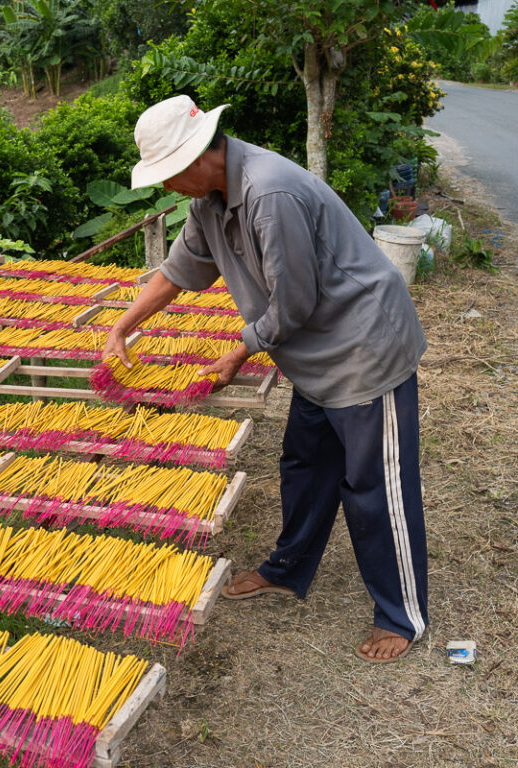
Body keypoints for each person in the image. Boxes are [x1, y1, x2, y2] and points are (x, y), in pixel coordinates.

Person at [102, 95, 429, 662]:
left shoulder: (269, 193)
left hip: (363, 348)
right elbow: (179, 271)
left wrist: (239, 353)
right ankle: (288, 569)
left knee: (374, 486)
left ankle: (401, 615)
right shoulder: (208, 200)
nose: (166, 187)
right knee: (305, 466)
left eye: (168, 174)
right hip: (314, 354)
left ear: (198, 156)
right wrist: (122, 328)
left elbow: (294, 302)